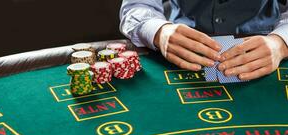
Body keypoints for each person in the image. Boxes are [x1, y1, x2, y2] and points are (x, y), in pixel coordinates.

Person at [120, 0, 288, 80]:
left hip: (264, 57)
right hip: (178, 57)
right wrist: (160, 31)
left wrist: (280, 43)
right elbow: (137, 7)